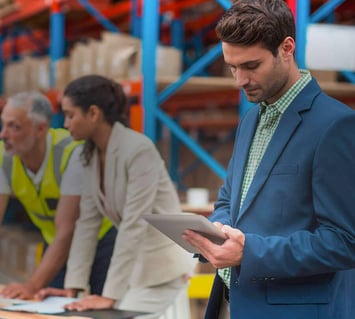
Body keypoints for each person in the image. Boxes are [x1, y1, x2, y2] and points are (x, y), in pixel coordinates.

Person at [182, 1, 355, 318]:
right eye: (232, 67)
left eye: (251, 66)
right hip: (234, 302)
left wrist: (249, 253)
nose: (240, 80)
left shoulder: (335, 125)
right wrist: (217, 230)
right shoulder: (251, 120)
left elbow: (345, 241)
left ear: (286, 48)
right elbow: (230, 198)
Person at [36, 75, 194, 319]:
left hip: (161, 271)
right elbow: (87, 224)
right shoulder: (88, 155)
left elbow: (134, 224)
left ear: (94, 113)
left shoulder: (139, 149)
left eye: (70, 115)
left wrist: (109, 295)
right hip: (134, 271)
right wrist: (73, 288)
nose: (65, 124)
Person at [0, 91, 115, 299]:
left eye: (14, 127)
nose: (3, 135)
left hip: (101, 241)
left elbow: (67, 230)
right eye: (3, 124)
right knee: (48, 305)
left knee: (105, 308)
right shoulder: (4, 157)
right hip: (55, 243)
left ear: (40, 129)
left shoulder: (73, 154)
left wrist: (32, 285)